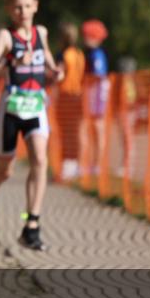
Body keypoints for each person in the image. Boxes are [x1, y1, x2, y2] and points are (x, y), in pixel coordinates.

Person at [0, 0, 63, 250]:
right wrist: (9, 63)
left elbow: (47, 63)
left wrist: (56, 73)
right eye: (16, 8)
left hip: (35, 106)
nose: (22, 12)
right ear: (9, 10)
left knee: (40, 159)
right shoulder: (5, 37)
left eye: (26, 6)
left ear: (35, 6)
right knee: (5, 170)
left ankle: (31, 224)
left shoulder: (41, 34)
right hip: (11, 108)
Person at [80, 19, 110, 179]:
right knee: (90, 127)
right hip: (91, 92)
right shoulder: (90, 53)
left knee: (97, 127)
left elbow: (98, 75)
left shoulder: (96, 54)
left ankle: (97, 164)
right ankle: (90, 163)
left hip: (96, 93)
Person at [55, 22, 85, 180]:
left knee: (66, 131)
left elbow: (59, 75)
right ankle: (77, 163)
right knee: (75, 131)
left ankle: (68, 163)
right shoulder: (79, 54)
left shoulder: (63, 55)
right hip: (78, 95)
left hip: (66, 95)